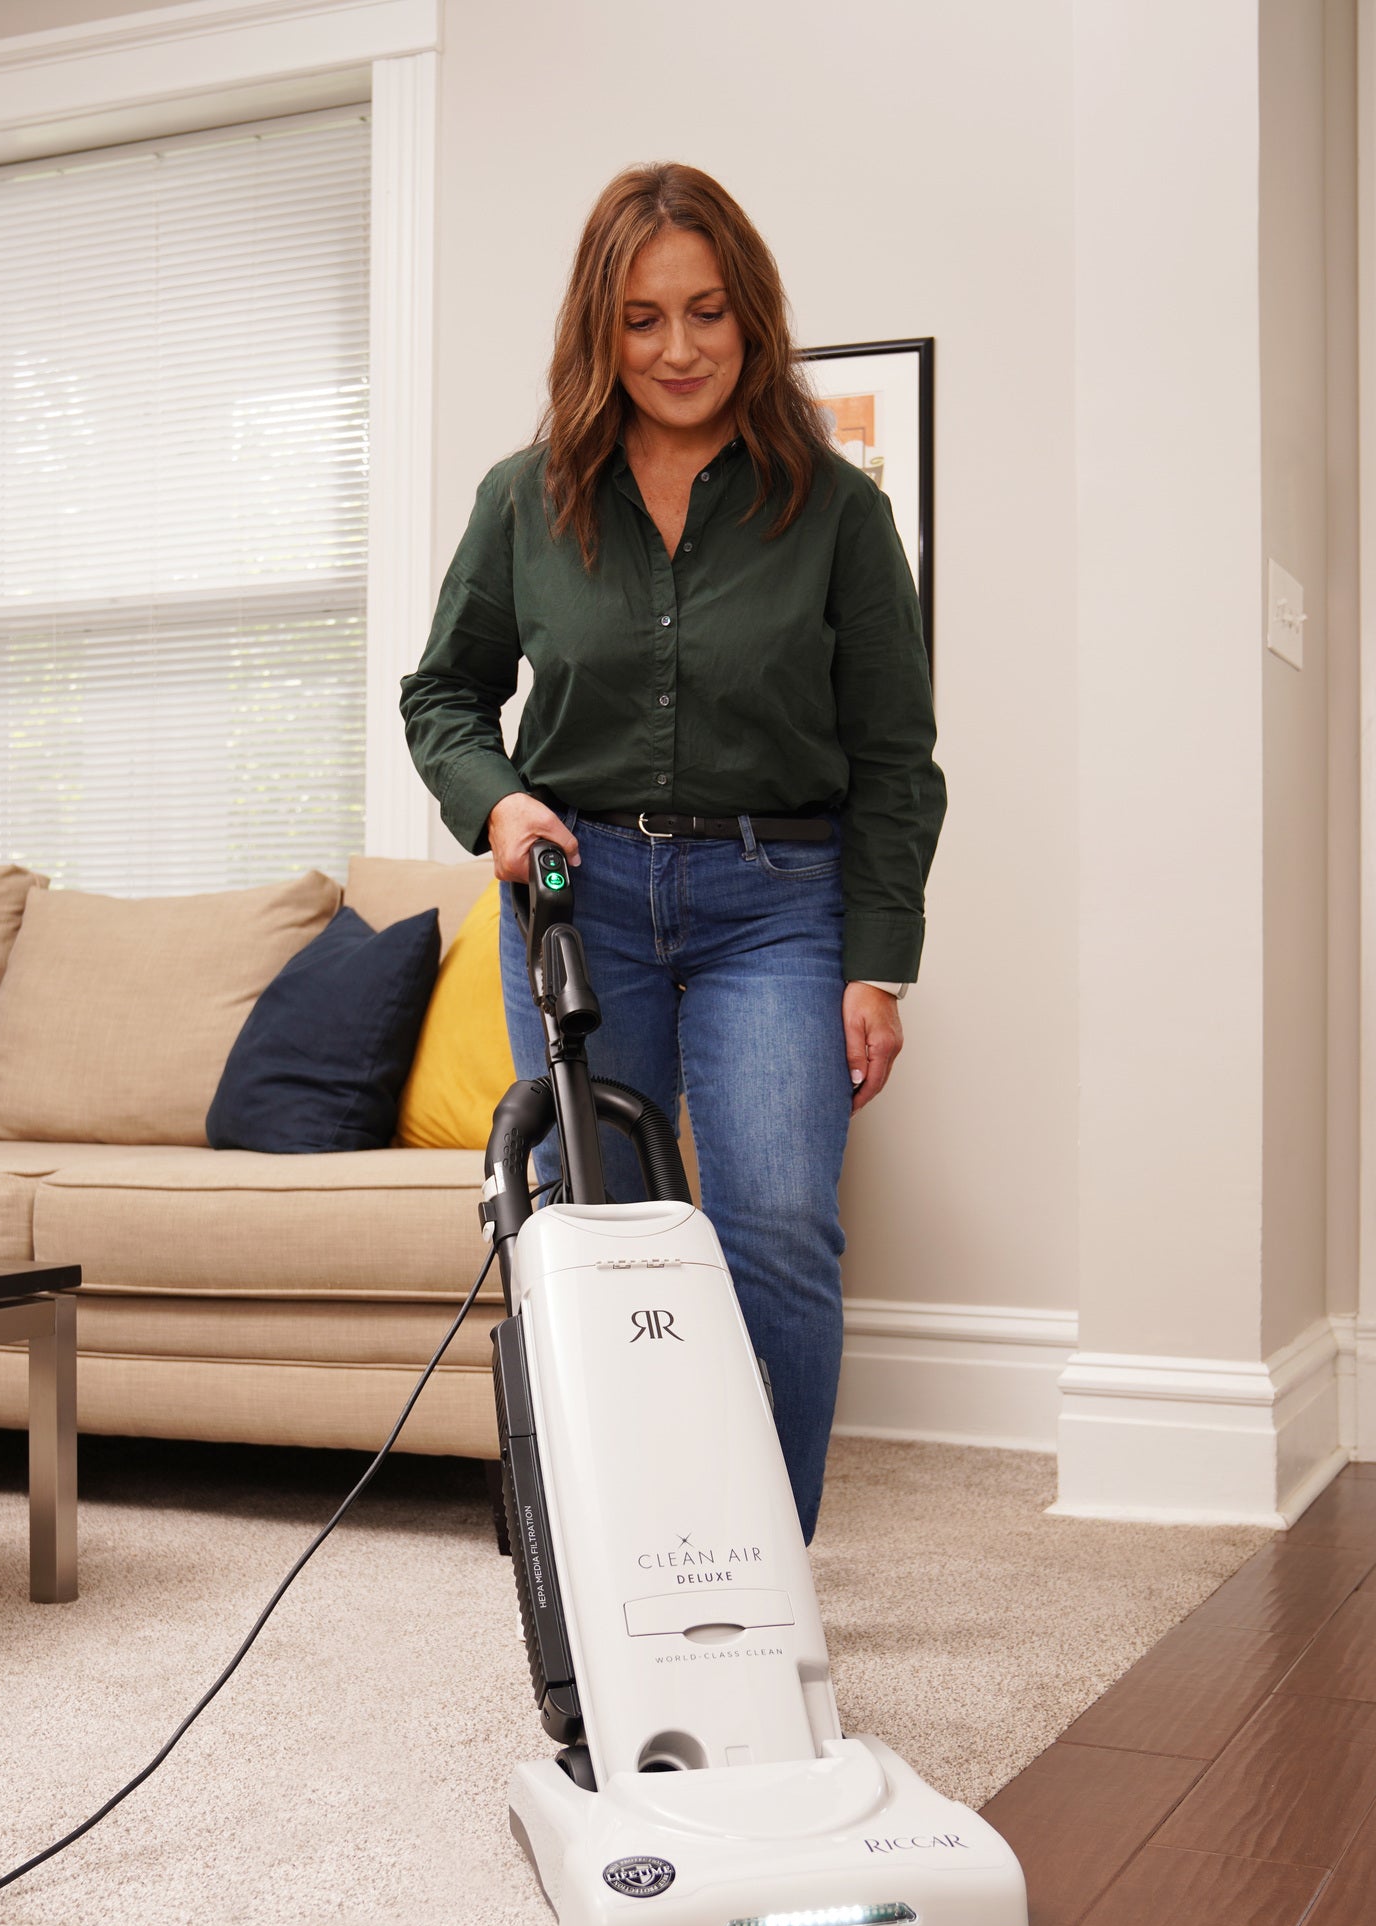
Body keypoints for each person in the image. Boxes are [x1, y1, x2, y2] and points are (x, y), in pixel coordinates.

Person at [399, 163, 943, 1541]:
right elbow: (444, 697)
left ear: (751, 319)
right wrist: (498, 807)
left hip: (778, 904)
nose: (680, 348)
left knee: (773, 1229)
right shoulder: (525, 500)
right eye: (643, 319)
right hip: (586, 901)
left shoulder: (834, 511)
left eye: (707, 312)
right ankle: (642, 1561)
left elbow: (894, 759)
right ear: (602, 330)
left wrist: (875, 966)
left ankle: (762, 1565)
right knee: (602, 1238)